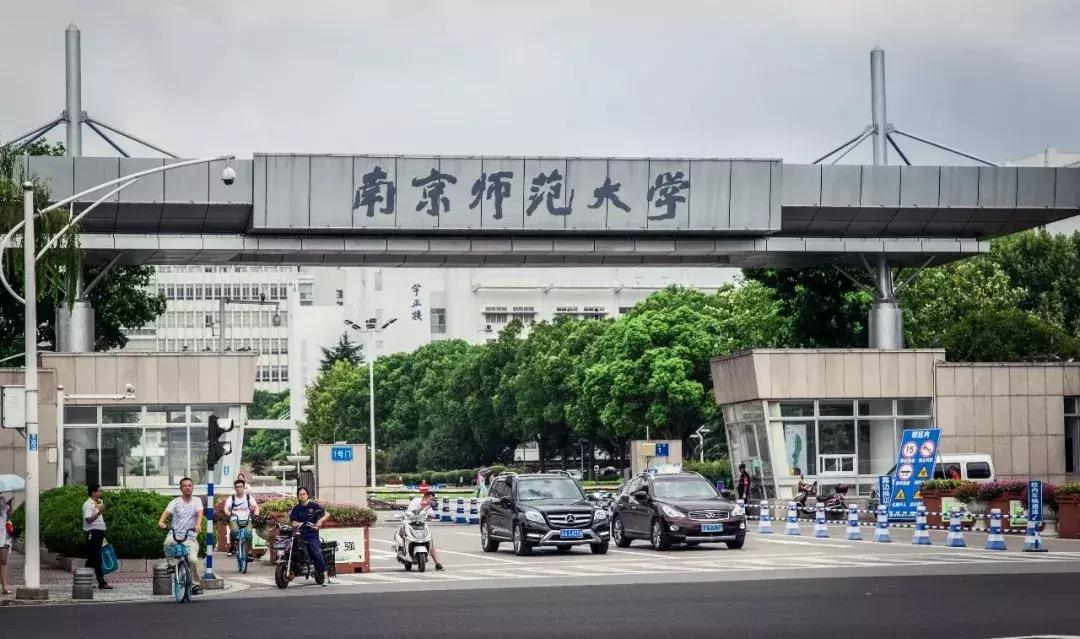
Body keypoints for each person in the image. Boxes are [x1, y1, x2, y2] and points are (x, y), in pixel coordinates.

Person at [158, 477, 204, 595]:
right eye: (185, 485)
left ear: (192, 487)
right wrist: (161, 522)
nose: (187, 487)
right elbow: (165, 514)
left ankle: (195, 585)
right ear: (181, 488)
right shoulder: (175, 502)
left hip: (190, 536)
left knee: (193, 560)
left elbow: (199, 514)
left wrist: (198, 525)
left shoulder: (197, 501)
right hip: (175, 534)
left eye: (190, 485)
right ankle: (172, 565)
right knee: (167, 544)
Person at [288, 487, 329, 584]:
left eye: (304, 494)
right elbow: (294, 523)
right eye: (300, 495)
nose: (302, 496)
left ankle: (325, 576)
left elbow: (327, 514)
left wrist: (319, 521)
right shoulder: (296, 508)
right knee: (290, 550)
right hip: (300, 534)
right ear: (298, 496)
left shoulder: (314, 506)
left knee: (316, 553)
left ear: (307, 495)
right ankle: (291, 570)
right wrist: (303, 523)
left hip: (312, 534)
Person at [82, 484, 112, 590]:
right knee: (97, 557)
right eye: (99, 491)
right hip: (92, 533)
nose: (101, 493)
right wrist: (99, 513)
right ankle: (101, 582)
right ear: (93, 492)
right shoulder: (88, 504)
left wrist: (101, 512)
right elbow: (88, 520)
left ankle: (84, 579)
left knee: (92, 558)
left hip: (99, 532)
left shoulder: (98, 503)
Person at [405, 489, 444, 571]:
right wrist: (422, 506)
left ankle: (437, 563)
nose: (431, 501)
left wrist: (430, 514)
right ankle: (405, 554)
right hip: (410, 523)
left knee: (430, 540)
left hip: (421, 525)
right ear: (425, 498)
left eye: (432, 500)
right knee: (406, 538)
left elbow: (432, 514)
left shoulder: (428, 506)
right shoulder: (415, 501)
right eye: (430, 499)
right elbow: (411, 512)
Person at [224, 478, 260, 557]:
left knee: (248, 534)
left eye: (240, 487)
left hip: (247, 519)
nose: (239, 489)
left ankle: (250, 551)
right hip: (235, 519)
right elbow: (226, 508)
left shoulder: (248, 497)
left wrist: (256, 513)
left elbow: (255, 506)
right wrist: (228, 513)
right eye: (237, 487)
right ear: (235, 488)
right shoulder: (231, 498)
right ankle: (232, 547)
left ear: (244, 488)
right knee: (233, 531)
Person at [0, 494, 11, 595]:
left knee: (3, 560)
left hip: (3, 535)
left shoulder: (4, 501)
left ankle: (5, 586)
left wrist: (9, 503)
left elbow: (9, 516)